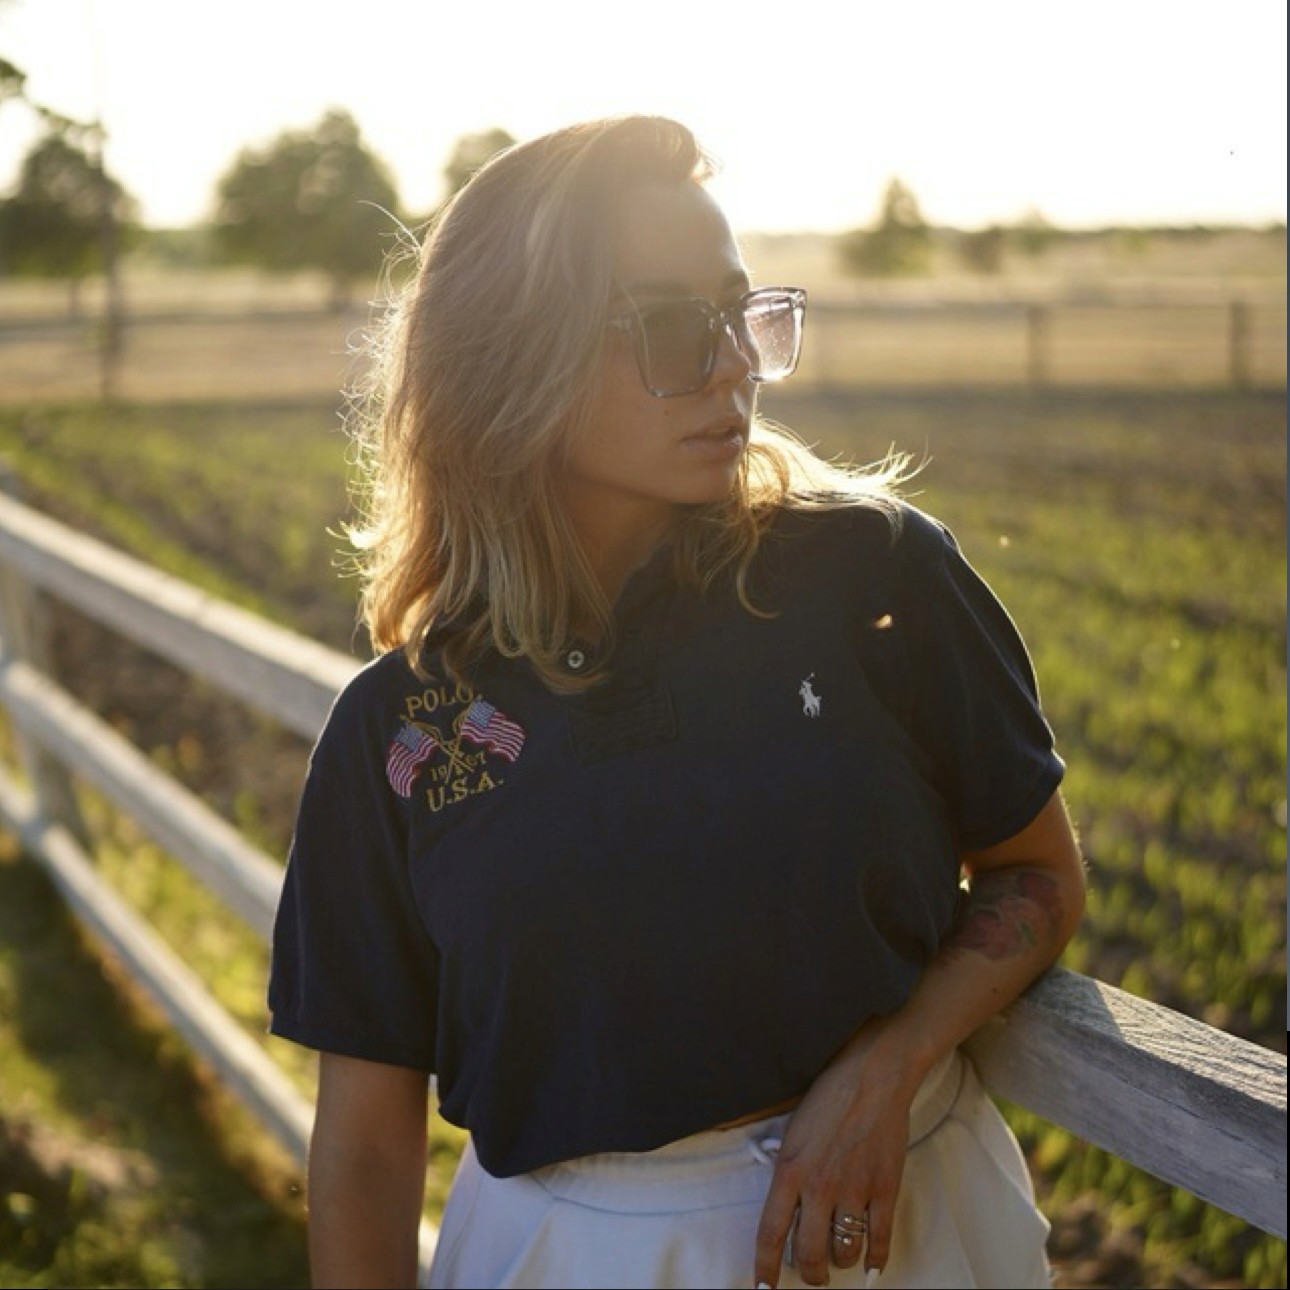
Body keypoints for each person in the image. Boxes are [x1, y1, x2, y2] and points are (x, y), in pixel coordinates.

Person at [267, 114, 1086, 1290]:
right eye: (667, 327)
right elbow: (361, 1143)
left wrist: (890, 1065)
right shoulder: (404, 731)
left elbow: (1037, 874)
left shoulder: (874, 578)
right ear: (514, 359)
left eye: (741, 314)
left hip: (907, 1226)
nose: (734, 366)